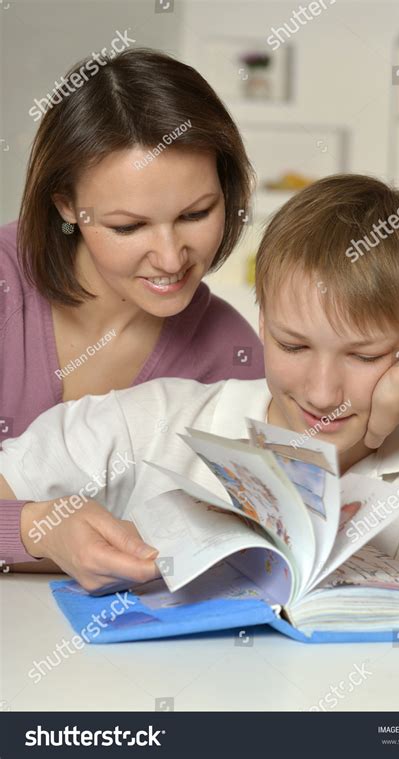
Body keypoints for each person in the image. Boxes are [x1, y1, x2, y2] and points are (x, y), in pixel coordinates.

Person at [1, 174, 399, 591]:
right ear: (263, 323)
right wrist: (36, 530)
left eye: (364, 356)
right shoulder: (144, 420)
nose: (323, 394)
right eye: (294, 346)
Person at [0, 47, 265, 572]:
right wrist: (33, 528)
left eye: (196, 213)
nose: (171, 258)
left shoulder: (232, 358)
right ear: (65, 206)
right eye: (128, 226)